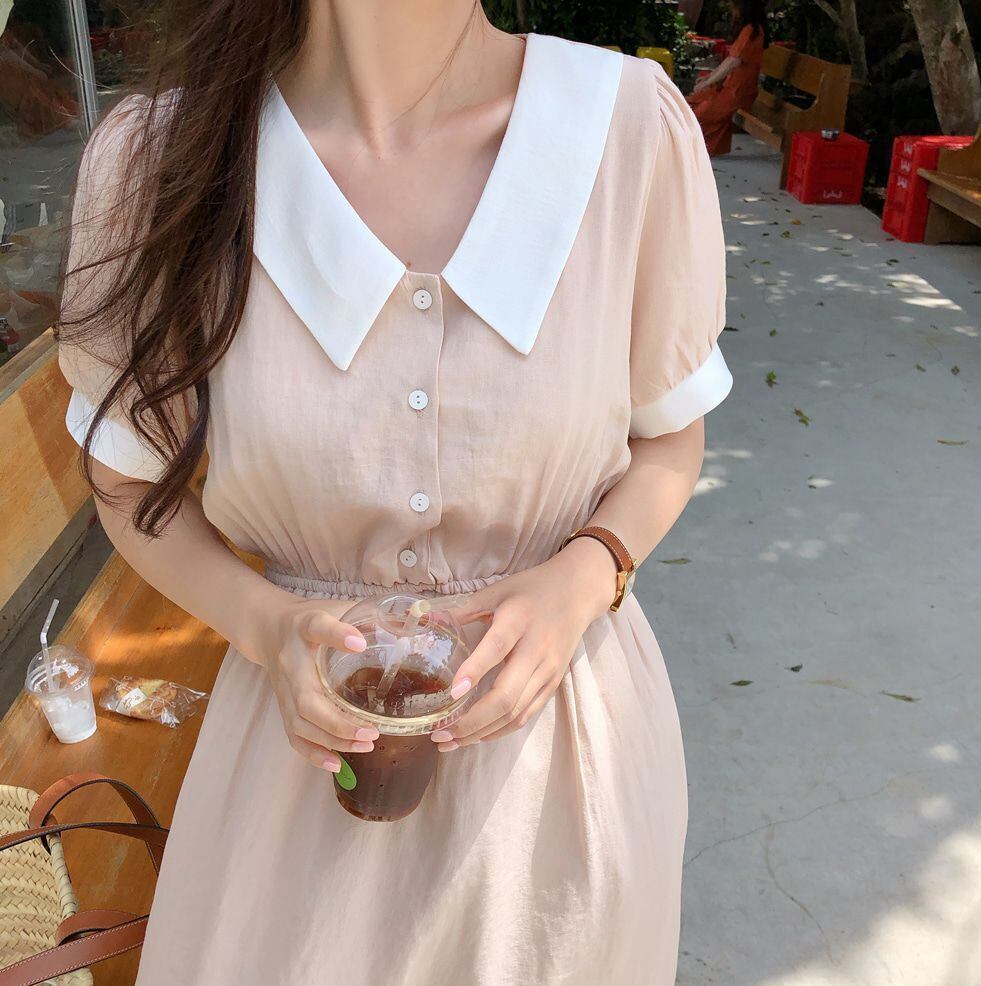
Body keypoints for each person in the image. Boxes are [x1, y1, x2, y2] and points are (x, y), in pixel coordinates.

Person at [56, 1, 732, 983]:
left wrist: (586, 576)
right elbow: (124, 475)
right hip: (293, 762)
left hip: (558, 764)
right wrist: (268, 624)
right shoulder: (161, 159)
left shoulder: (627, 129)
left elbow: (669, 432)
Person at [687, 0, 767, 156]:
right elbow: (730, 60)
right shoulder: (749, 30)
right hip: (730, 87)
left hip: (738, 92)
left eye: (734, 5)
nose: (732, 9)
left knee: (698, 115)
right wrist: (708, 79)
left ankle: (693, 152)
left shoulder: (751, 31)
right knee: (693, 102)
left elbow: (733, 62)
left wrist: (707, 82)